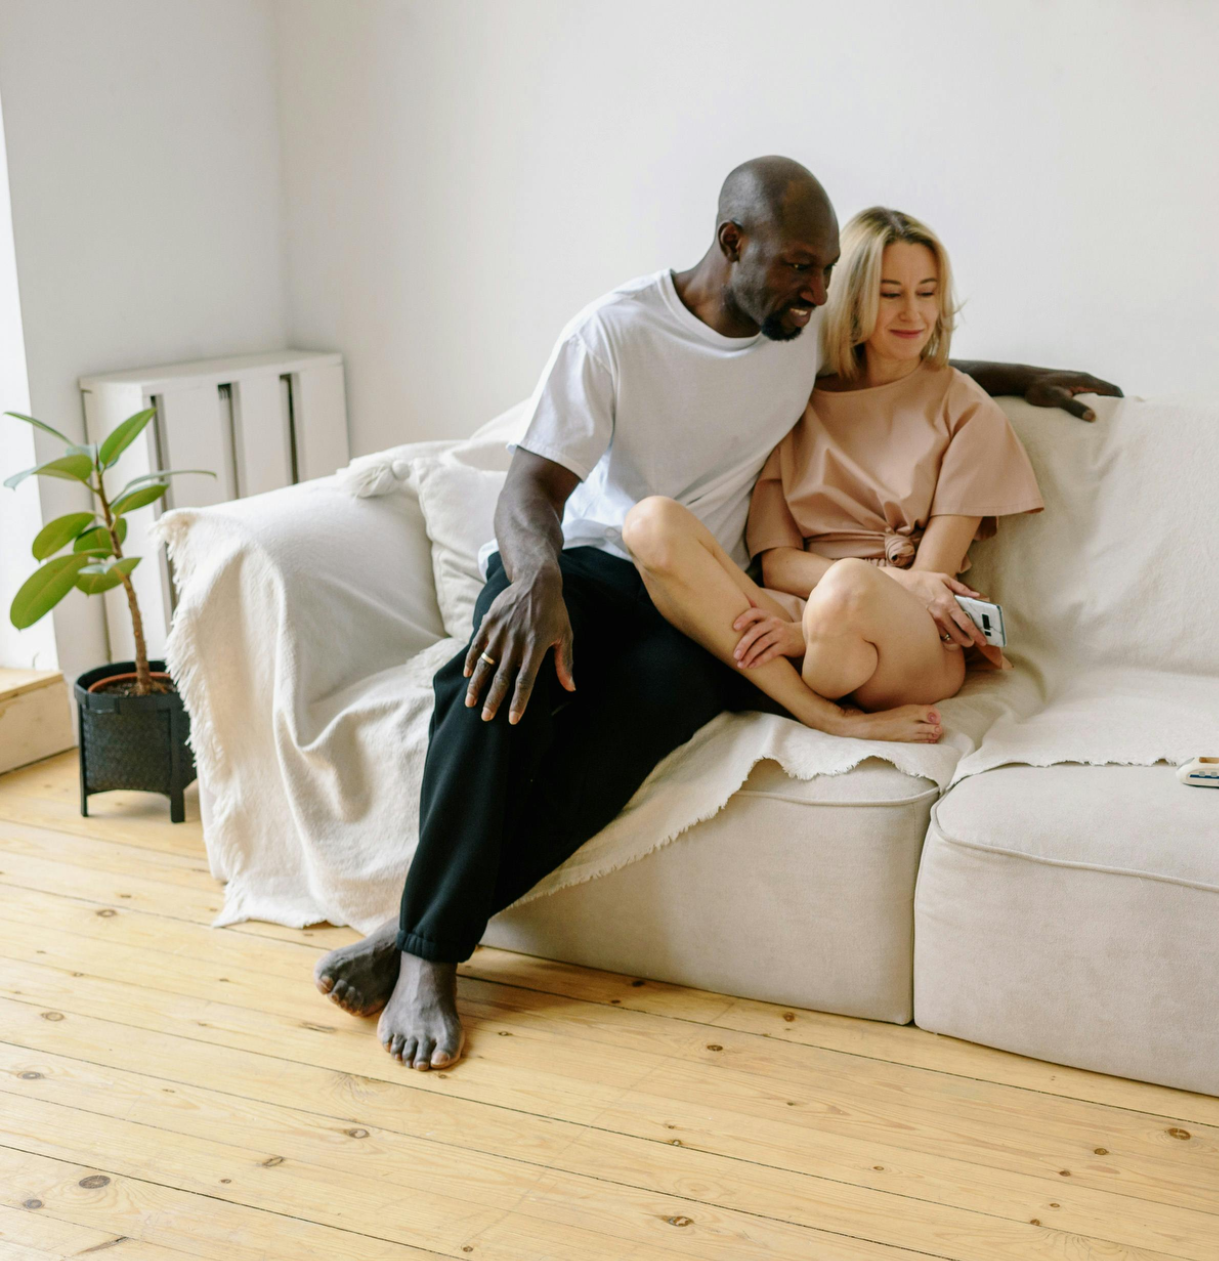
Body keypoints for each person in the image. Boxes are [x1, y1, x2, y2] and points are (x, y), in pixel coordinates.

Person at [313, 156, 1118, 1071]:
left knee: (619, 738)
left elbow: (898, 361)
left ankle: (415, 928)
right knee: (499, 681)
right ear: (734, 245)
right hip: (584, 561)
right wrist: (533, 585)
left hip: (695, 596)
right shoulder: (612, 333)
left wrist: (1024, 374)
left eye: (824, 276)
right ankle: (428, 954)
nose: (819, 292)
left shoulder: (797, 326)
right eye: (800, 267)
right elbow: (529, 488)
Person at [622, 206, 1041, 715]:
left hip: (909, 634)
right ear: (854, 299)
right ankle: (819, 709)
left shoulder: (969, 410)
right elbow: (777, 565)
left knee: (850, 587)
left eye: (927, 292)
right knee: (652, 521)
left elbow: (930, 580)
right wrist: (810, 619)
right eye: (891, 294)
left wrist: (807, 632)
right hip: (804, 609)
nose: (914, 313)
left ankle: (809, 658)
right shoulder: (800, 401)